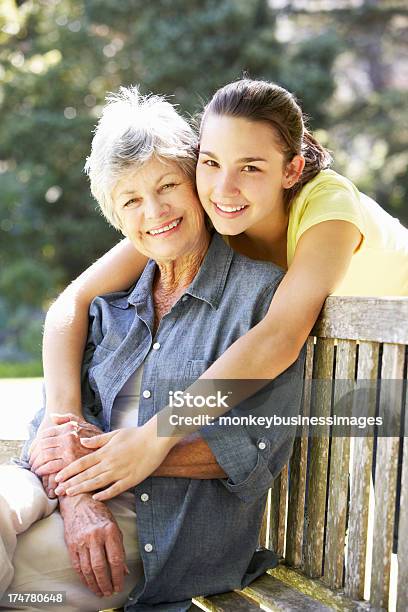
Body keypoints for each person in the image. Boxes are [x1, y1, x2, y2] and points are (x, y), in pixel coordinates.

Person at [0, 87, 305, 612]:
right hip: (63, 491)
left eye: (168, 186)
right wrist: (77, 494)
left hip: (154, 526)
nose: (155, 211)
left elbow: (255, 451)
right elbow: (56, 425)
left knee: (19, 584)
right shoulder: (114, 303)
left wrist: (133, 457)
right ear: (115, 217)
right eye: (132, 200)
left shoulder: (260, 297)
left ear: (197, 187)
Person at [38, 78, 408, 448]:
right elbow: (72, 303)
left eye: (250, 167)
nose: (223, 188)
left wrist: (156, 436)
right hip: (351, 368)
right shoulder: (209, 208)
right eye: (211, 162)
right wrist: (63, 420)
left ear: (291, 170)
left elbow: (278, 337)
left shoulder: (329, 206)